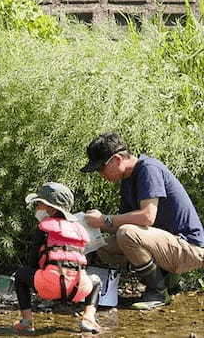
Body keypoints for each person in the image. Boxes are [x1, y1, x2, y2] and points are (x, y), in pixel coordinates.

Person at [81, 132, 204, 310]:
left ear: (117, 159)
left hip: (188, 248)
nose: (101, 174)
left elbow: (147, 217)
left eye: (101, 168)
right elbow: (121, 223)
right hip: (167, 245)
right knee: (102, 245)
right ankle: (168, 282)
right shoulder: (127, 181)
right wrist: (90, 228)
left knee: (126, 234)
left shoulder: (148, 169)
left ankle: (158, 291)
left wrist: (104, 220)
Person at [14, 182, 102, 334]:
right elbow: (83, 263)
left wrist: (41, 276)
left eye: (40, 204)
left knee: (21, 275)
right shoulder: (80, 230)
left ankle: (27, 322)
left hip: (50, 286)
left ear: (51, 208)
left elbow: (33, 261)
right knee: (96, 281)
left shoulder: (43, 228)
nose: (38, 208)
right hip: (77, 289)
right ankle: (88, 319)